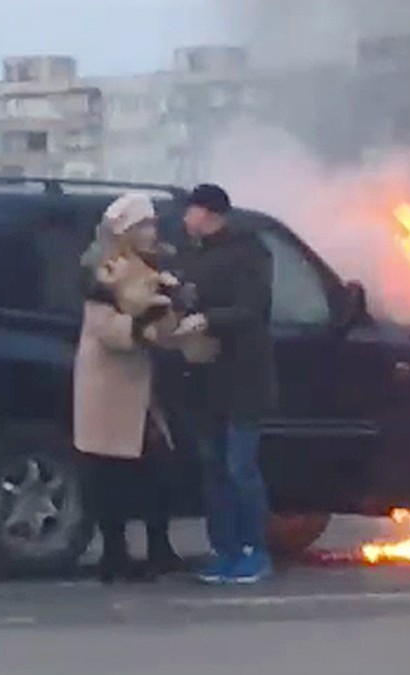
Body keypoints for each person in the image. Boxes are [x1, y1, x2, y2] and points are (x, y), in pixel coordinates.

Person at [74, 192, 185, 584]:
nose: (151, 232)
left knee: (155, 471)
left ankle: (158, 547)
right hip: (109, 386)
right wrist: (141, 328)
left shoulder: (150, 266)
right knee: (110, 475)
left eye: (152, 224)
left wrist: (170, 319)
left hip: (141, 386)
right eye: (143, 225)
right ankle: (115, 553)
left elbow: (160, 324)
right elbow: (105, 326)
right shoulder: (107, 268)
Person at [172, 183, 278, 585]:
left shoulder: (248, 252)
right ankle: (225, 550)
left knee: (240, 467)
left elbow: (251, 309)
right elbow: (188, 295)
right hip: (206, 380)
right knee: (213, 467)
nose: (185, 219)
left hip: (244, 379)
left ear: (210, 213)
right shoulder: (192, 254)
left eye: (191, 211)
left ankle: (254, 551)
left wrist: (207, 319)